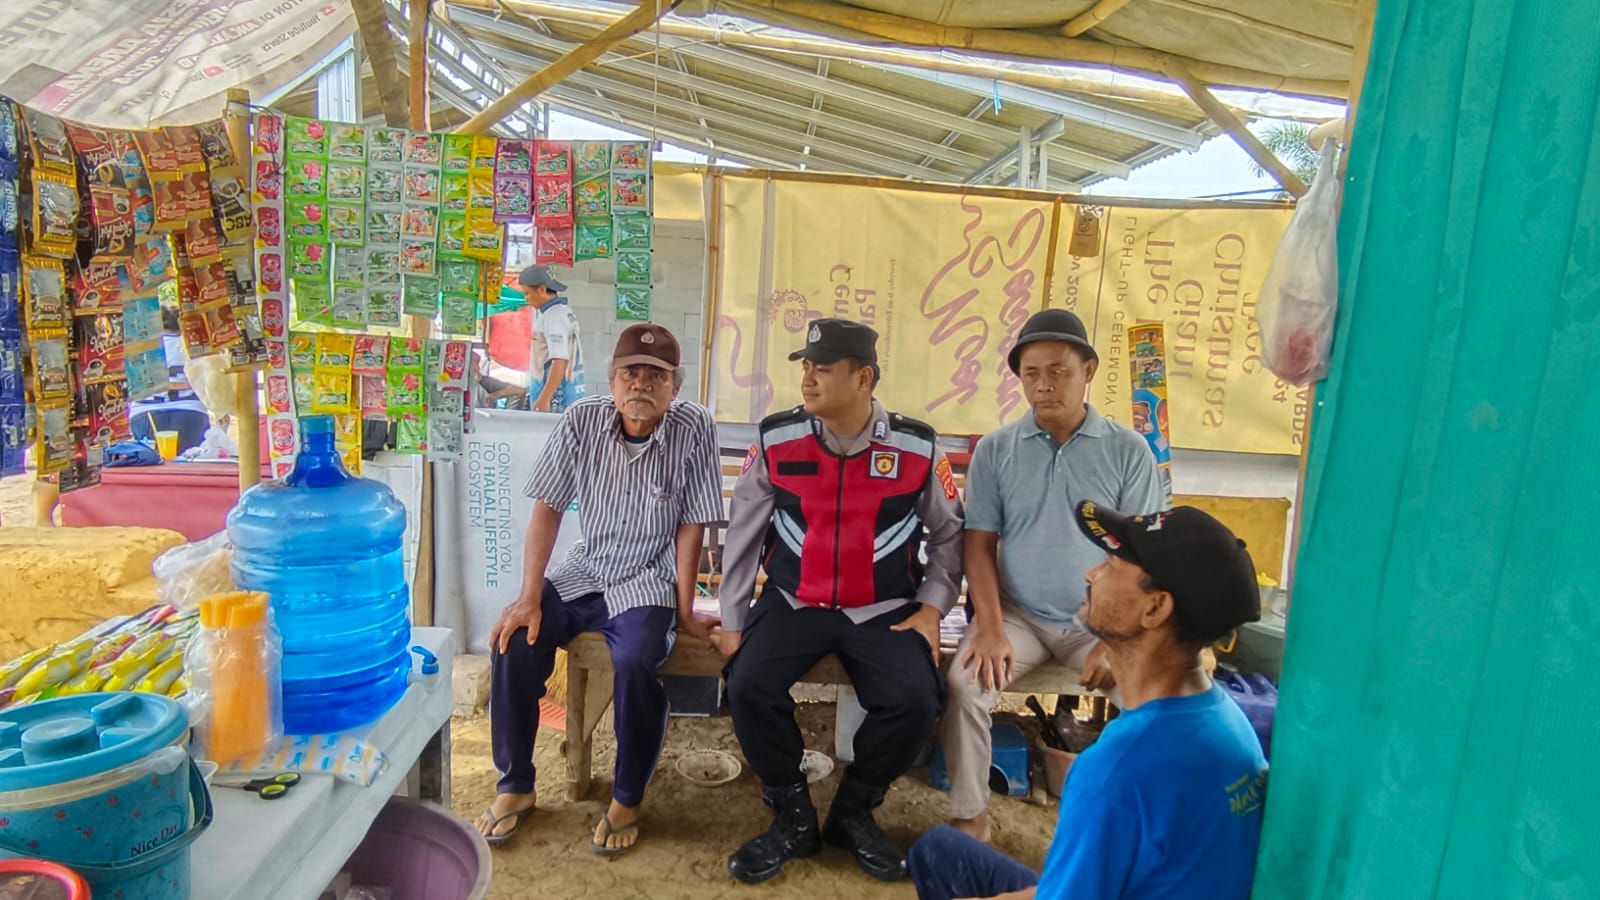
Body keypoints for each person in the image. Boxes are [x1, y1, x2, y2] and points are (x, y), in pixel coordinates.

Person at [909, 502, 1268, 900]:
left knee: (940, 858)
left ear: (1155, 607)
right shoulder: (1227, 721)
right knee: (939, 850)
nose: (1091, 573)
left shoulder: (1115, 772)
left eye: (1111, 564)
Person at [719, 318, 965, 885]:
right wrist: (732, 620)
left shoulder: (917, 447)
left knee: (914, 701)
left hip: (884, 607)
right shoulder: (777, 439)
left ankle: (854, 812)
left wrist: (931, 607)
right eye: (805, 367)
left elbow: (950, 533)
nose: (808, 379)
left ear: (863, 378)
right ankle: (792, 816)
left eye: (822, 369)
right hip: (793, 600)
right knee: (748, 684)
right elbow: (744, 534)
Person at [474, 323, 723, 856]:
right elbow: (547, 508)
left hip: (648, 576)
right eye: (630, 373)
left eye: (656, 376)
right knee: (514, 642)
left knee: (635, 659)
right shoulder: (581, 419)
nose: (641, 384)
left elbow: (691, 525)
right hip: (587, 568)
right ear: (611, 382)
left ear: (675, 387)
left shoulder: (694, 426)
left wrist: (684, 610)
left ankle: (627, 796)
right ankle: (516, 783)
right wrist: (529, 595)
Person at [943, 309, 1165, 842]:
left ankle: (1138, 828)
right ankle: (970, 817)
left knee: (1152, 703)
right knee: (965, 685)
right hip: (1017, 617)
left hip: (1100, 624)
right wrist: (990, 627)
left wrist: (1116, 639)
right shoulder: (997, 449)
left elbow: (1142, 553)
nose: (1043, 385)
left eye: (1058, 371)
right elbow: (979, 544)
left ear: (1088, 370)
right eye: (1031, 374)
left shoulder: (1128, 451)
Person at [518, 264, 585, 413]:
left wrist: (544, 399)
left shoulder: (554, 316)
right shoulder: (563, 312)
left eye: (527, 293)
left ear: (542, 289)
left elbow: (560, 360)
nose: (526, 299)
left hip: (557, 398)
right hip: (568, 393)